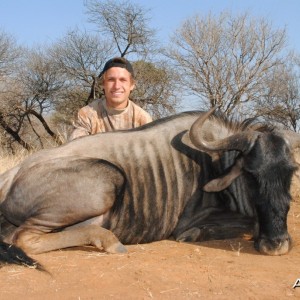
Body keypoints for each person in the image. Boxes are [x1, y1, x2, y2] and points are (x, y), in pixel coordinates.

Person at [69, 57, 152, 140]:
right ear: (103, 84)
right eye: (111, 80)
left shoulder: (143, 119)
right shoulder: (86, 114)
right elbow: (75, 149)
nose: (116, 86)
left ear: (132, 85)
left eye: (123, 80)